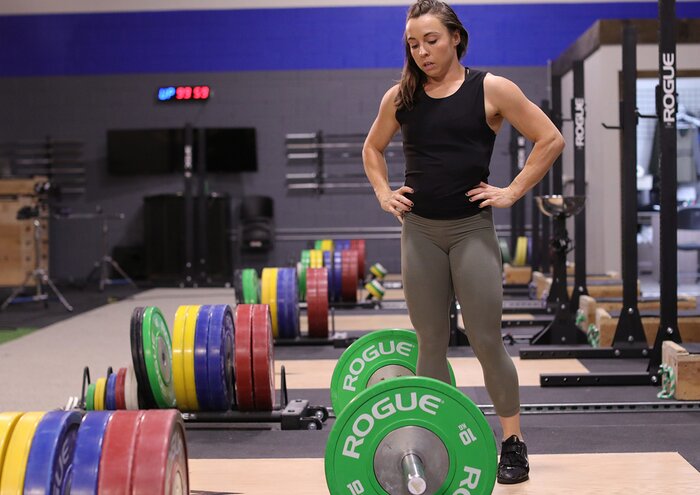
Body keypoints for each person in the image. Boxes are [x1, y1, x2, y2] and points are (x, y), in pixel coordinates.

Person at [362, 0, 564, 485]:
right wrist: (384, 193)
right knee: (429, 343)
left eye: (431, 40)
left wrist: (512, 191)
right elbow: (372, 148)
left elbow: (550, 138)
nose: (423, 51)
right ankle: (434, 439)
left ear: (455, 37)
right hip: (420, 233)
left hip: (471, 230)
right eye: (413, 44)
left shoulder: (490, 89)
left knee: (485, 339)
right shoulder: (400, 97)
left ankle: (513, 443)